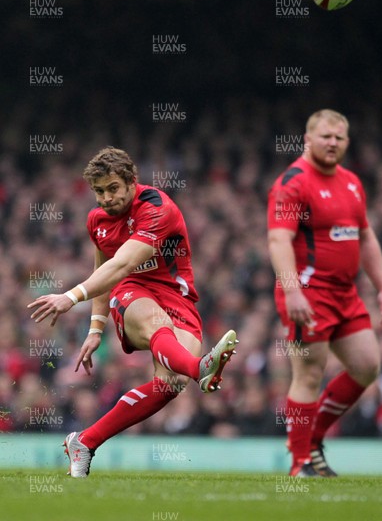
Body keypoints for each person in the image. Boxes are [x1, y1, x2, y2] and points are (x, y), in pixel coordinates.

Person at [28, 147, 238, 478]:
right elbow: (109, 270)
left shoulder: (156, 208)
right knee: (157, 326)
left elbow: (125, 260)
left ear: (131, 182)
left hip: (177, 299)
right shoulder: (96, 220)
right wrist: (95, 328)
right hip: (131, 293)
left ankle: (84, 441)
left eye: (113, 188)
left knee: (171, 383)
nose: (107, 198)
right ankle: (202, 368)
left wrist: (70, 296)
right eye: (99, 191)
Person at [267, 109, 382, 477]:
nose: (333, 143)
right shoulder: (293, 182)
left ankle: (312, 441)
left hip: (345, 293)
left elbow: (366, 236)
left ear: (347, 142)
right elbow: (278, 239)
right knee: (308, 373)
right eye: (326, 136)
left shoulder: (352, 182)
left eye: (339, 138)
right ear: (308, 140)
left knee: (367, 365)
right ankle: (299, 463)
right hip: (307, 292)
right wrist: (292, 292)